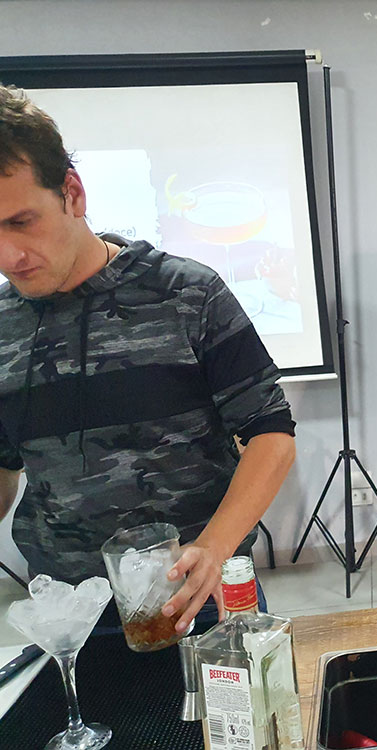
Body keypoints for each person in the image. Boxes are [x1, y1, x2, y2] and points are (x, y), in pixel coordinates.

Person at [0, 84, 296, 633]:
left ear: (72, 193)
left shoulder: (187, 294)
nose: (9, 256)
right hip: (69, 613)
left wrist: (214, 547)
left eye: (22, 222)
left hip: (200, 595)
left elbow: (271, 434)